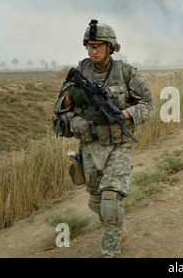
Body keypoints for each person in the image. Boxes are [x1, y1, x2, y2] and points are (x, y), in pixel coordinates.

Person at [53, 19, 155, 258]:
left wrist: (124, 114)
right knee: (96, 203)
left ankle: (110, 252)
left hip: (118, 145)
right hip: (89, 146)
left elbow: (149, 104)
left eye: (99, 45)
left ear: (110, 47)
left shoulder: (126, 72)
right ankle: (117, 231)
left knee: (110, 204)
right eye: (90, 45)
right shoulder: (81, 71)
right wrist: (76, 96)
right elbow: (60, 105)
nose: (93, 50)